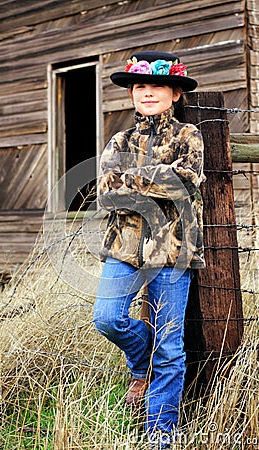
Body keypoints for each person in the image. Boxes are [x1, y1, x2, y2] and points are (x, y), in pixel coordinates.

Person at [93, 50, 205, 448]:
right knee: (107, 317)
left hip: (174, 251)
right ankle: (142, 365)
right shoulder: (119, 139)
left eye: (157, 85)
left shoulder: (188, 137)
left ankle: (159, 437)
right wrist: (154, 178)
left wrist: (132, 179)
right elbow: (105, 192)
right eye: (140, 86)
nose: (147, 92)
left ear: (175, 93)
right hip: (123, 248)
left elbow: (185, 182)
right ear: (131, 94)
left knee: (171, 346)